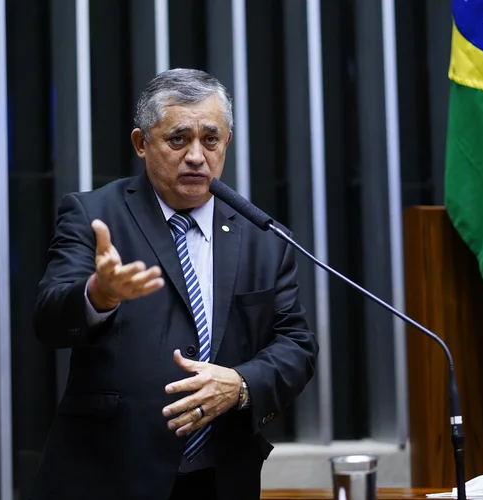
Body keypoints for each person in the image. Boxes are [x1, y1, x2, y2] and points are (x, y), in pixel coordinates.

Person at [30, 68, 318, 500]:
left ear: (227, 144)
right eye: (178, 139)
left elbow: (296, 344)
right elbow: (49, 318)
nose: (197, 156)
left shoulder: (263, 237)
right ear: (141, 144)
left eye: (211, 139)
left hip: (221, 476)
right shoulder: (94, 215)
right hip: (110, 475)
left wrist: (240, 385)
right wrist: (98, 295)